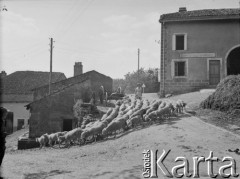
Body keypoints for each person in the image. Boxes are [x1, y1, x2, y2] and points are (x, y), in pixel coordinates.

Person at [0, 107, 8, 178]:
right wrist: (3, 134)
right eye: (5, 113)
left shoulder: (2, 121)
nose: (6, 115)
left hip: (2, 142)